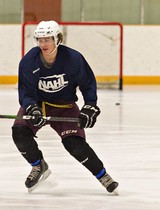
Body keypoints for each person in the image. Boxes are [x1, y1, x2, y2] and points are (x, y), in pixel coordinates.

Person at [12, 20, 119, 193]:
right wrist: (31, 107)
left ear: (57, 39)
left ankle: (103, 176)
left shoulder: (73, 59)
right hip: (38, 103)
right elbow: (25, 92)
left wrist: (90, 106)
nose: (43, 44)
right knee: (19, 132)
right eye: (40, 40)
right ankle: (39, 166)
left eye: (47, 39)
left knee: (74, 144)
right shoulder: (28, 62)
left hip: (64, 104)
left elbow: (87, 84)